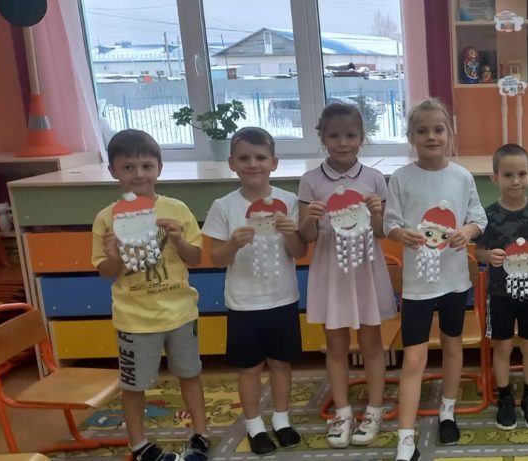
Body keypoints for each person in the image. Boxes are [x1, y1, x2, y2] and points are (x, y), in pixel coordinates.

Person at [91, 129, 210, 461]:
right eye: (128, 167)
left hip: (180, 313)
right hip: (134, 319)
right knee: (134, 385)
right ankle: (138, 444)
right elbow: (105, 271)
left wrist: (178, 238)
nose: (139, 174)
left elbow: (195, 258)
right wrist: (113, 254)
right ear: (113, 171)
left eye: (146, 166)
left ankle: (200, 434)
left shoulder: (176, 208)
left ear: (159, 168)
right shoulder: (106, 218)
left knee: (190, 374)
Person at [384, 98, 487, 461]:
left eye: (438, 129)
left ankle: (447, 410)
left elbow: (478, 218)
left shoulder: (461, 176)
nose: (431, 136)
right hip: (417, 286)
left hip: (454, 282)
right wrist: (401, 234)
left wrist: (467, 232)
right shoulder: (401, 178)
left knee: (452, 345)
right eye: (422, 130)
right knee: (414, 359)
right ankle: (405, 438)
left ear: (449, 134)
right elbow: (390, 222)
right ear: (411, 136)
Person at [296, 103, 396, 448]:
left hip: (366, 267)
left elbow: (381, 232)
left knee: (372, 343)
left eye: (350, 135)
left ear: (362, 137)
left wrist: (378, 212)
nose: (342, 142)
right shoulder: (310, 180)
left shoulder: (374, 178)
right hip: (331, 269)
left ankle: (374, 409)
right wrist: (309, 218)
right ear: (322, 137)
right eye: (334, 135)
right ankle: (342, 411)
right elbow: (306, 238)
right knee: (336, 345)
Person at [202, 127, 305, 455]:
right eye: (244, 158)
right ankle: (254, 425)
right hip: (243, 304)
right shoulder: (224, 206)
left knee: (281, 364)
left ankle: (282, 420)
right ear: (232, 163)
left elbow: (300, 251)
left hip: (282, 299)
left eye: (260, 157)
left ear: (274, 162)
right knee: (248, 369)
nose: (253, 164)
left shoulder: (289, 201)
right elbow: (216, 259)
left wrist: (290, 232)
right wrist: (233, 242)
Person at [474, 143, 528, 431]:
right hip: (500, 295)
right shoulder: (488, 215)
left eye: (521, 174)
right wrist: (489, 257)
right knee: (503, 347)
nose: (516, 181)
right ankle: (505, 398)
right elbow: (478, 251)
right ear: (494, 177)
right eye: (508, 175)